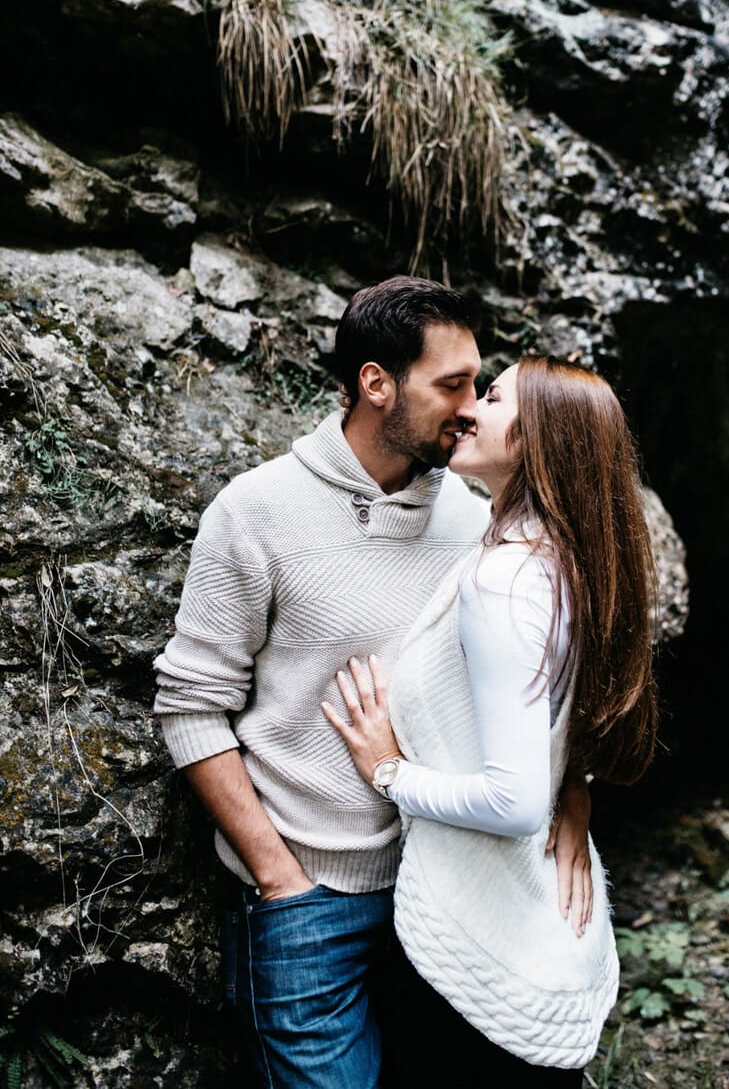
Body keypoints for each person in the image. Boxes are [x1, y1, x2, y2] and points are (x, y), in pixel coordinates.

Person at [153, 279, 593, 1089]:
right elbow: (189, 706)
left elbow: (543, 680)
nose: (468, 406)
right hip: (306, 900)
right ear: (375, 382)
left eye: (478, 385)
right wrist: (278, 877)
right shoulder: (256, 511)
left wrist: (570, 795)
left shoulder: (474, 521)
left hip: (440, 887)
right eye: (451, 384)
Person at [324, 355, 659, 1085]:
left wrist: (389, 771)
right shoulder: (564, 559)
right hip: (530, 924)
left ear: (542, 436)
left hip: (475, 944)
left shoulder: (503, 578)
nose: (469, 406)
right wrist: (575, 785)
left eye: (495, 396)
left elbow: (512, 802)